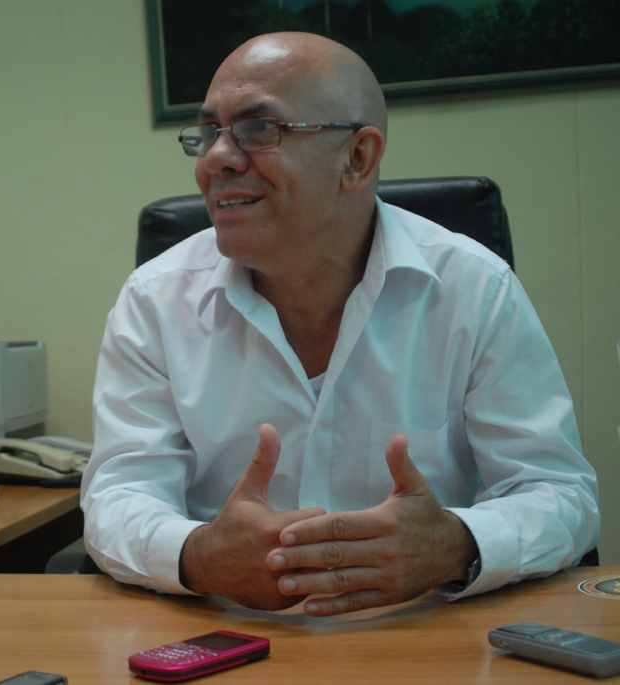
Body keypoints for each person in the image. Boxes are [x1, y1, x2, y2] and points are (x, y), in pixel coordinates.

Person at [80, 32, 599, 615]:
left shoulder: (473, 289)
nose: (216, 159)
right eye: (208, 133)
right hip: (225, 642)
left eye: (260, 129)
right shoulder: (154, 299)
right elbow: (119, 497)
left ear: (358, 158)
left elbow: (560, 494)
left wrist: (454, 545)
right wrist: (197, 553)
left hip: (419, 640)